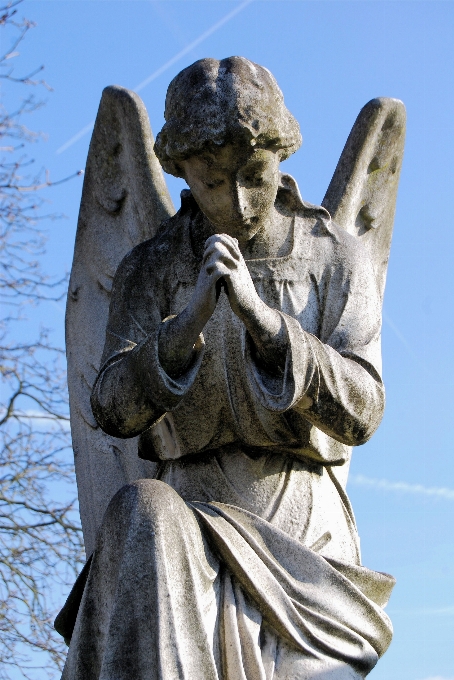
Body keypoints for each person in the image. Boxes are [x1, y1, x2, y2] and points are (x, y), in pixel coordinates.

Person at [59, 57, 394, 680]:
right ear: (181, 171)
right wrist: (182, 330)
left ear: (281, 156)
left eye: (255, 175)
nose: (237, 199)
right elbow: (109, 406)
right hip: (183, 536)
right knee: (141, 512)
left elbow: (363, 407)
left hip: (303, 547)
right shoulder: (150, 269)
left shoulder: (331, 257)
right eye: (212, 180)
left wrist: (266, 325)